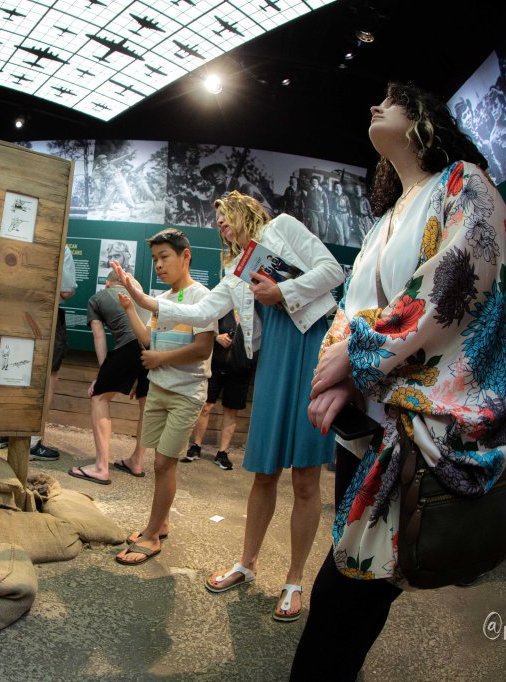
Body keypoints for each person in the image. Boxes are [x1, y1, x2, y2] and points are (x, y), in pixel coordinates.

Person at [299, 82, 506, 679]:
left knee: (346, 595)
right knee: (354, 582)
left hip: (412, 434)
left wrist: (360, 355)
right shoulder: (385, 219)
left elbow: (457, 281)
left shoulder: (462, 183)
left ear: (424, 118)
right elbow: (352, 308)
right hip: (365, 431)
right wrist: (341, 375)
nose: (376, 104)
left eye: (394, 98)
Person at [113, 191, 344, 621]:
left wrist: (281, 290)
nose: (220, 224)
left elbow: (333, 272)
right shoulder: (236, 269)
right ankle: (247, 564)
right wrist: (142, 300)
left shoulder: (284, 227)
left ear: (245, 210)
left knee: (306, 478)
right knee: (264, 473)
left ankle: (294, 581)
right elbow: (202, 310)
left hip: (309, 352)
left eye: (224, 215)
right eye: (216, 219)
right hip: (272, 361)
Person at [112, 229, 216, 565]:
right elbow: (148, 339)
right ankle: (163, 523)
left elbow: (203, 348)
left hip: (185, 393)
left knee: (163, 463)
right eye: (155, 259)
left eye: (164, 257)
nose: (158, 264)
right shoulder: (161, 298)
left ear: (186, 256)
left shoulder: (203, 297)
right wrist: (130, 307)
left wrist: (160, 359)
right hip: (158, 388)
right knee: (160, 461)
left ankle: (152, 535)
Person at [0, 244, 76, 460]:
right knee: (48, 376)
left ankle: (4, 432)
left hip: (14, 312)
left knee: (14, 369)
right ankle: (31, 441)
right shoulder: (61, 246)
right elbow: (66, 290)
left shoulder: (16, 243)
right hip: (46, 315)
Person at [67, 271, 150, 484]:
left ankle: (101, 467)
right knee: (146, 404)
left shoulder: (97, 298)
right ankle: (137, 462)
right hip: (153, 348)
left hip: (130, 345)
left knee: (99, 397)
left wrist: (102, 375)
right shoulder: (141, 296)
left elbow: (98, 335)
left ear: (107, 283)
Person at [184, 312, 252, 471]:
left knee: (231, 410)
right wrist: (216, 337)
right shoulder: (223, 308)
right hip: (215, 364)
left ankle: (222, 453)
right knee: (205, 406)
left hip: (240, 369)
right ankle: (196, 446)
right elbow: (202, 327)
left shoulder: (255, 312)